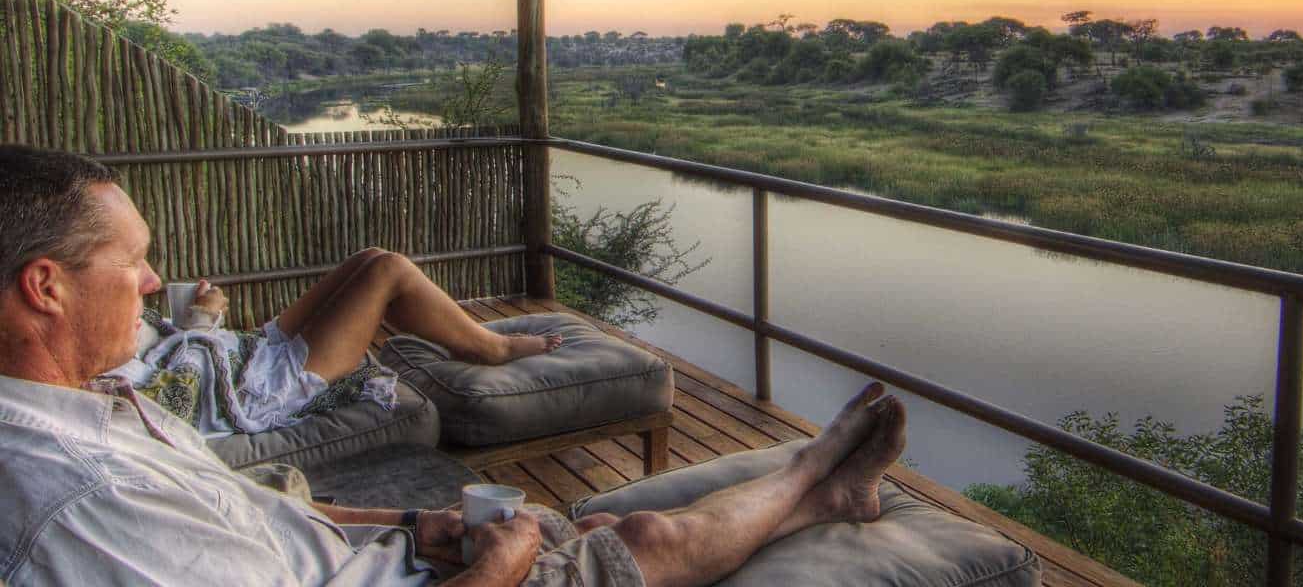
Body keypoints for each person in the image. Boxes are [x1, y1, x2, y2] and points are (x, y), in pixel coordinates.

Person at [0, 144, 909, 586]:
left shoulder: (89, 407)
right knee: (644, 540)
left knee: (377, 267)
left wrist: (403, 517)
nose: (153, 280)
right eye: (134, 262)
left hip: (365, 549)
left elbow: (245, 511)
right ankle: (819, 481)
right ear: (46, 287)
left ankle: (806, 478)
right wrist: (498, 571)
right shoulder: (83, 499)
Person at [115, 248, 563, 437]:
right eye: (131, 261)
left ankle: (464, 336)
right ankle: (489, 348)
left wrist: (202, 322)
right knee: (387, 270)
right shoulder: (97, 378)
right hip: (257, 387)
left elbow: (165, 360)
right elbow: (177, 396)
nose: (150, 282)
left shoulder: (100, 331)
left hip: (239, 355)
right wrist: (203, 320)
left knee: (369, 258)